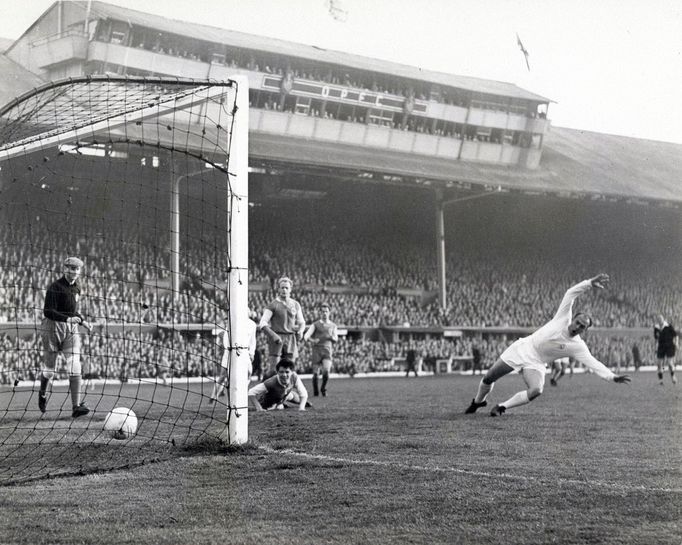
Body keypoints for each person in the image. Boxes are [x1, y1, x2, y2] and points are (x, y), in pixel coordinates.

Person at [464, 274, 631, 417]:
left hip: (536, 362)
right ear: (573, 320)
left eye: (582, 327)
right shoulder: (563, 317)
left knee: (536, 390)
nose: (578, 327)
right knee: (489, 377)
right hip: (523, 348)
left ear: (585, 330)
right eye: (578, 323)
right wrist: (589, 283)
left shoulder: (578, 346)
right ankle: (478, 402)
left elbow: (594, 364)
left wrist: (612, 377)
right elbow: (570, 294)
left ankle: (502, 407)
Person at [38, 256, 93, 418]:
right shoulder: (55, 287)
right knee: (49, 371)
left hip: (70, 330)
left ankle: (76, 407)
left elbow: (72, 310)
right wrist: (68, 319)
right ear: (65, 269)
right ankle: (42, 394)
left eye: (77, 269)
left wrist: (83, 321)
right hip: (51, 329)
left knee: (75, 365)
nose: (74, 272)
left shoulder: (77, 288)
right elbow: (48, 311)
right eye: (71, 268)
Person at [258, 276, 305, 379]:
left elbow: (302, 322)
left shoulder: (295, 304)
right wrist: (273, 335)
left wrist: (301, 331)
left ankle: (286, 394)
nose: (284, 290)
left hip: (291, 339)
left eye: (286, 288)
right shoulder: (273, 305)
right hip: (277, 338)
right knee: (274, 371)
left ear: (290, 289)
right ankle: (264, 389)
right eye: (282, 287)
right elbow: (262, 323)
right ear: (278, 289)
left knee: (290, 370)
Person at [209, 311, 258, 403]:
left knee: (248, 373)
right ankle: (213, 396)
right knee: (223, 375)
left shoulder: (252, 324)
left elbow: (252, 340)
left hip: (244, 352)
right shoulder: (232, 321)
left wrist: (252, 353)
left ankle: (240, 394)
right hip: (229, 351)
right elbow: (219, 332)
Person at [303, 302, 338, 396]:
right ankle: (315, 391)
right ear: (320, 313)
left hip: (327, 351)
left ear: (329, 312)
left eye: (326, 311)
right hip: (317, 351)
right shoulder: (315, 325)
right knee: (315, 374)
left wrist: (331, 337)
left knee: (326, 371)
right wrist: (312, 340)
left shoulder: (333, 326)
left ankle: (323, 388)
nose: (324, 313)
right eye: (322, 311)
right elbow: (306, 336)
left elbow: (336, 339)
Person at [654, 315, 678, 385]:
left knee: (670, 363)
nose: (660, 320)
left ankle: (673, 376)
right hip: (661, 346)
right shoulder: (656, 328)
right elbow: (656, 339)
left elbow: (675, 335)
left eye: (661, 319)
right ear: (657, 321)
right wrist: (655, 347)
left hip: (669, 346)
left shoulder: (668, 326)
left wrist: (676, 343)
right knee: (659, 364)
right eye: (658, 319)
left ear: (663, 319)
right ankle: (660, 380)